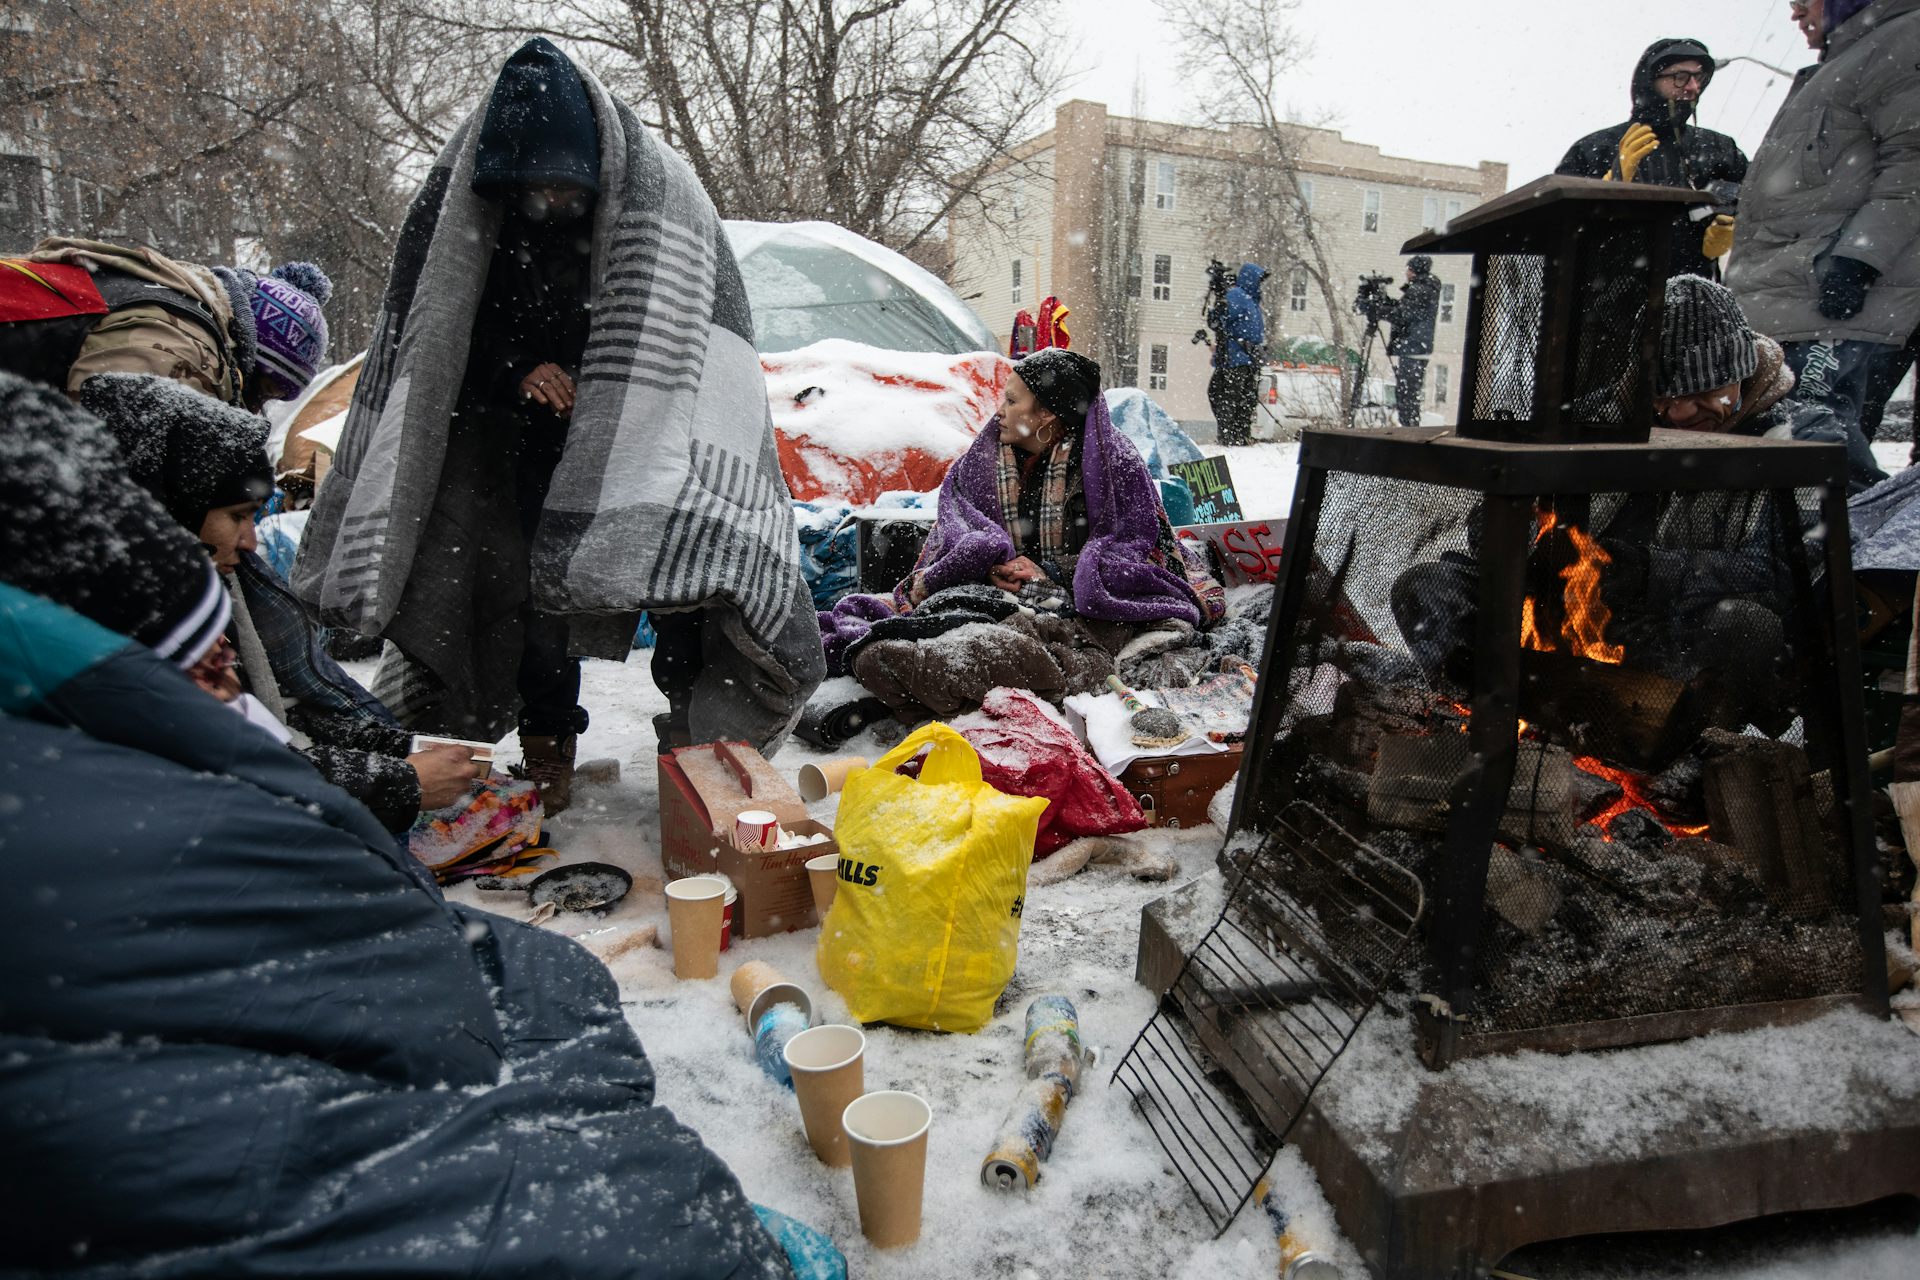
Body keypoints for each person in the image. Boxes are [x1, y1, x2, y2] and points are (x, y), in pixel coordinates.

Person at [293, 38, 824, 813]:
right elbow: (438, 335)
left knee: (685, 595)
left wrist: (615, 384)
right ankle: (550, 766)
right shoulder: (472, 217)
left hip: (660, 441)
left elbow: (702, 334)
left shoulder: (659, 193)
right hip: (528, 448)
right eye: (531, 188)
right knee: (540, 610)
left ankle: (696, 768)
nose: (547, 200)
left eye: (560, 186)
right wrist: (519, 368)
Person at [75, 372, 479, 831]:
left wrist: (393, 750)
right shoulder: (118, 633)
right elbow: (216, 775)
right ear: (169, 507)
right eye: (236, 517)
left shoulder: (199, 593)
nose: (250, 542)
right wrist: (397, 782)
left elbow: (286, 709)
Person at [819, 349, 1228, 721]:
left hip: (1078, 607)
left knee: (976, 656)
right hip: (997, 595)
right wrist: (988, 564)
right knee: (905, 645)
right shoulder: (980, 466)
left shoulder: (1113, 465)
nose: (999, 410)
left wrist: (1049, 571)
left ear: (1046, 415)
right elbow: (958, 533)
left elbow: (1132, 553)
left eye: (1012, 401)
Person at [1726, 0, 1919, 495]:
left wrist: (1859, 258)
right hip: (1794, 298)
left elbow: (1914, 161)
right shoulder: (1849, 58)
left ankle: (1856, 564)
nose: (1794, 14)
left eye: (1803, 0)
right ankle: (1819, 562)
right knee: (1790, 444)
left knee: (1815, 446)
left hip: (1834, 298)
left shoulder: (1901, 39)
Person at [3, 238, 331, 410]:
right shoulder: (183, 345)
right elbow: (101, 470)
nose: (259, 410)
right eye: (270, 392)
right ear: (254, 365)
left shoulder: (173, 294)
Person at [1555, 38, 1749, 282]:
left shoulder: (1719, 149)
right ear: (1650, 81)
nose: (1692, 87)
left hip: (1693, 301)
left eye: (1698, 78)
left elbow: (1761, 202)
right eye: (1681, 77)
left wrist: (1732, 224)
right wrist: (1608, 188)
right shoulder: (1596, 148)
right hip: (1607, 298)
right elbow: (1558, 227)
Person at [1207, 263, 1267, 446]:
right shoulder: (1246, 300)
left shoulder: (1240, 298)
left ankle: (1229, 436)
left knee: (1226, 397)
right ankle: (1239, 435)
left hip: (1236, 359)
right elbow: (1222, 320)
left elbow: (1217, 321)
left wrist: (1217, 307)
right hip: (1246, 359)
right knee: (1243, 400)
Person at [1384, 256, 1443, 427]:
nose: (1406, 272)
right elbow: (1404, 310)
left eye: (1408, 269)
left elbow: (1402, 315)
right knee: (1409, 395)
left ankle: (1409, 431)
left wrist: (1380, 309)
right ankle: (1409, 427)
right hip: (1417, 348)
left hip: (1413, 348)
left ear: (1414, 270)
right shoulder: (1424, 288)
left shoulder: (1419, 290)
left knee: (1407, 396)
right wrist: (1387, 304)